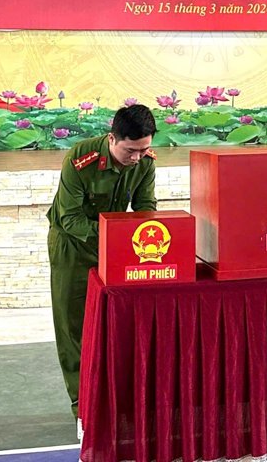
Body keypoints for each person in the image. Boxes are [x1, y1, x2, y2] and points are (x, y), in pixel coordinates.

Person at [46, 104, 157, 418]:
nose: (136, 157)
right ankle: (82, 404)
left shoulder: (145, 162)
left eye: (143, 150)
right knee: (73, 326)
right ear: (112, 138)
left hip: (116, 246)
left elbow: (146, 205)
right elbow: (70, 219)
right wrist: (119, 235)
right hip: (72, 247)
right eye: (130, 151)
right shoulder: (80, 160)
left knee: (117, 320)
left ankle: (116, 395)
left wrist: (148, 235)